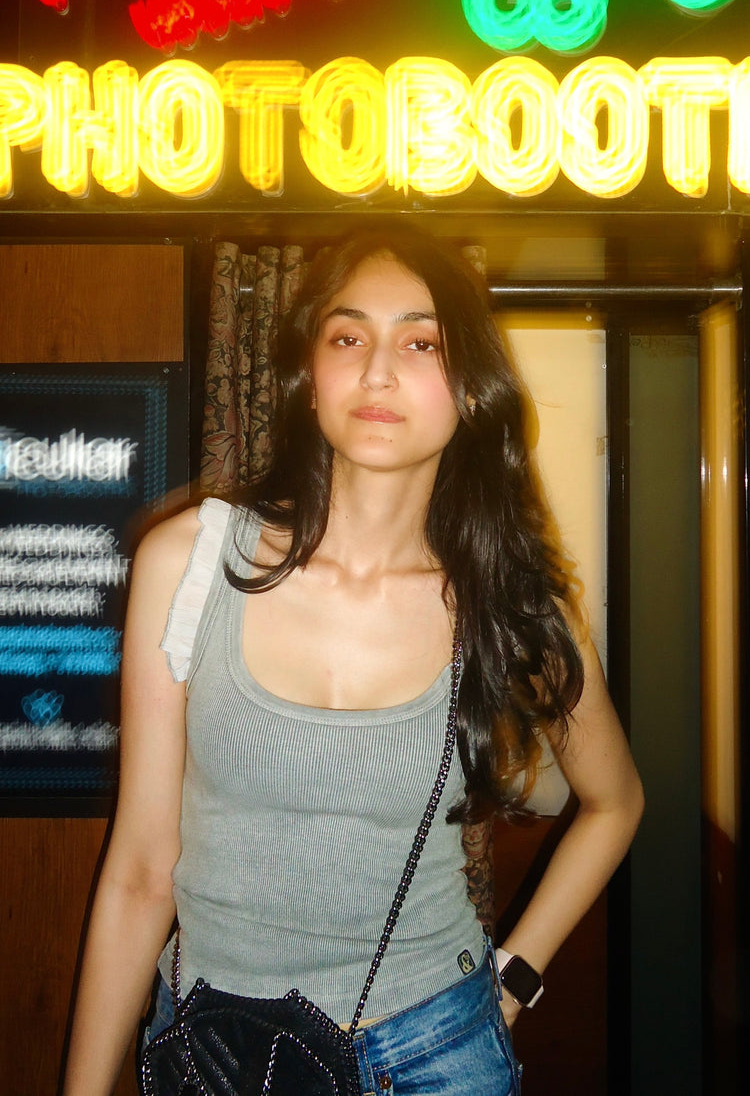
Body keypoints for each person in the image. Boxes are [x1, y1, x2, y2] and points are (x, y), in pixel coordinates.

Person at [62, 222, 643, 1096]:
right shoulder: (188, 564)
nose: (377, 369)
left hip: (434, 1051)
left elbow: (616, 800)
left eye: (420, 341)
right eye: (349, 336)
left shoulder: (509, 599)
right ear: (311, 379)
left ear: (472, 390)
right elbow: (142, 868)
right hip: (217, 1047)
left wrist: (515, 979)